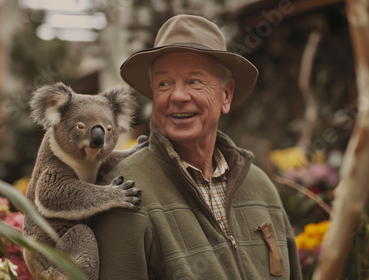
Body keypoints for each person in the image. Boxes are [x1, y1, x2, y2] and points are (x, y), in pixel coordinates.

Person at [90, 14, 302, 279]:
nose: (177, 96)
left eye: (194, 81)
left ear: (226, 95)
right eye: (164, 83)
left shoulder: (261, 188)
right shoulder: (126, 193)